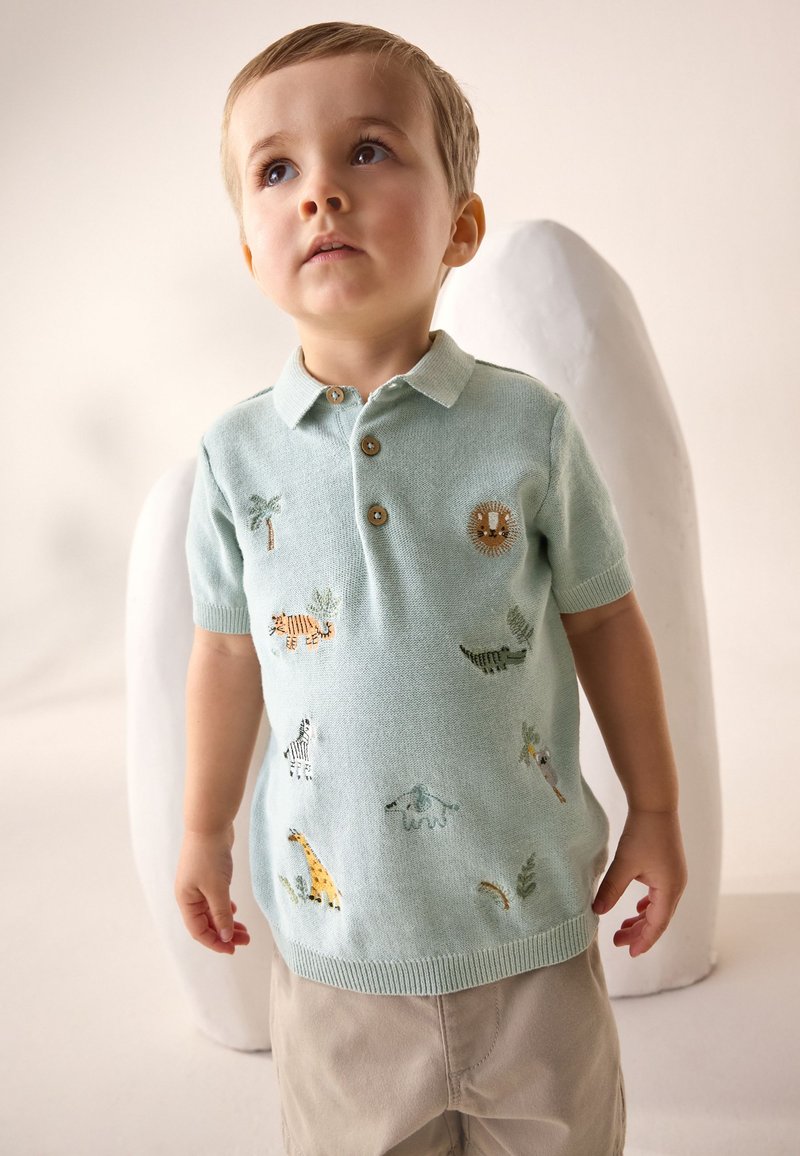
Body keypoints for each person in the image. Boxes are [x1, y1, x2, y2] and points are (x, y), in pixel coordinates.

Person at [175, 20, 687, 1156]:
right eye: (276, 170)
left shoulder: (525, 428)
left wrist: (656, 809)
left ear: (460, 226)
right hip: (338, 954)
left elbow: (605, 618)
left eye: (367, 151)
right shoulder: (233, 459)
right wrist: (203, 827)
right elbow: (225, 651)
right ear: (250, 251)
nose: (321, 193)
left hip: (530, 935)